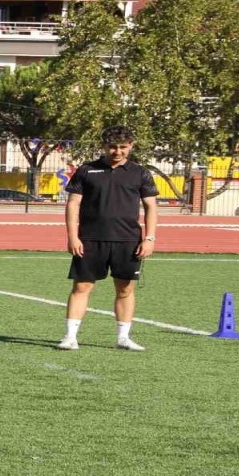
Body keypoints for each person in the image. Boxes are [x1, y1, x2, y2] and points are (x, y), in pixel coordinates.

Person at [58, 125, 159, 351]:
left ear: (131, 146)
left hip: (128, 241)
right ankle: (70, 337)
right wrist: (72, 236)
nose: (117, 151)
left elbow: (151, 207)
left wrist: (149, 238)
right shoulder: (86, 170)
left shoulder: (140, 173)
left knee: (125, 289)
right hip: (90, 239)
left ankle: (123, 337)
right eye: (112, 146)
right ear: (104, 146)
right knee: (82, 287)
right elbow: (73, 204)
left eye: (123, 147)